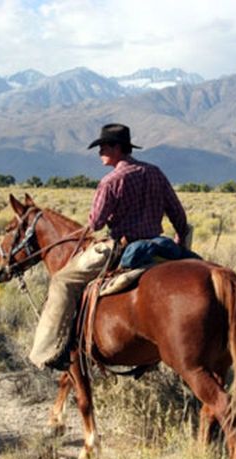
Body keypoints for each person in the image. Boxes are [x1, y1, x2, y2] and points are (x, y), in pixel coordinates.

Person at [28, 123, 190, 370]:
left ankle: (51, 350)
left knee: (62, 280)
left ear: (118, 148)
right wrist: (178, 246)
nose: (100, 151)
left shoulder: (111, 181)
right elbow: (179, 217)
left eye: (103, 146)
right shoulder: (156, 173)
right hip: (159, 245)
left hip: (123, 247)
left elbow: (95, 222)